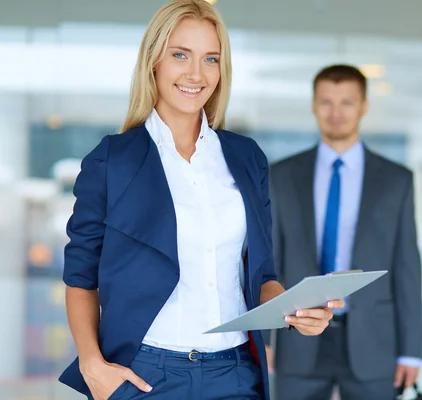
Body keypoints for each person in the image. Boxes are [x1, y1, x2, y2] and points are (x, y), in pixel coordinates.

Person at [58, 2, 342, 399]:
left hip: (236, 373)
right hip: (144, 376)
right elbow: (80, 275)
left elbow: (262, 277)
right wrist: (92, 365)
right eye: (180, 55)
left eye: (211, 58)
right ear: (153, 61)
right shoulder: (112, 160)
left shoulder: (247, 158)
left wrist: (296, 312)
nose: (196, 73)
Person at [264, 65, 422, 400]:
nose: (335, 113)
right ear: (313, 104)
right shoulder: (281, 176)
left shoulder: (397, 180)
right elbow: (270, 261)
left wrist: (411, 350)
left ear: (364, 106)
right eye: (326, 102)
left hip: (374, 341)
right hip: (298, 335)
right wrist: (263, 339)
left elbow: (407, 266)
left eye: (347, 103)